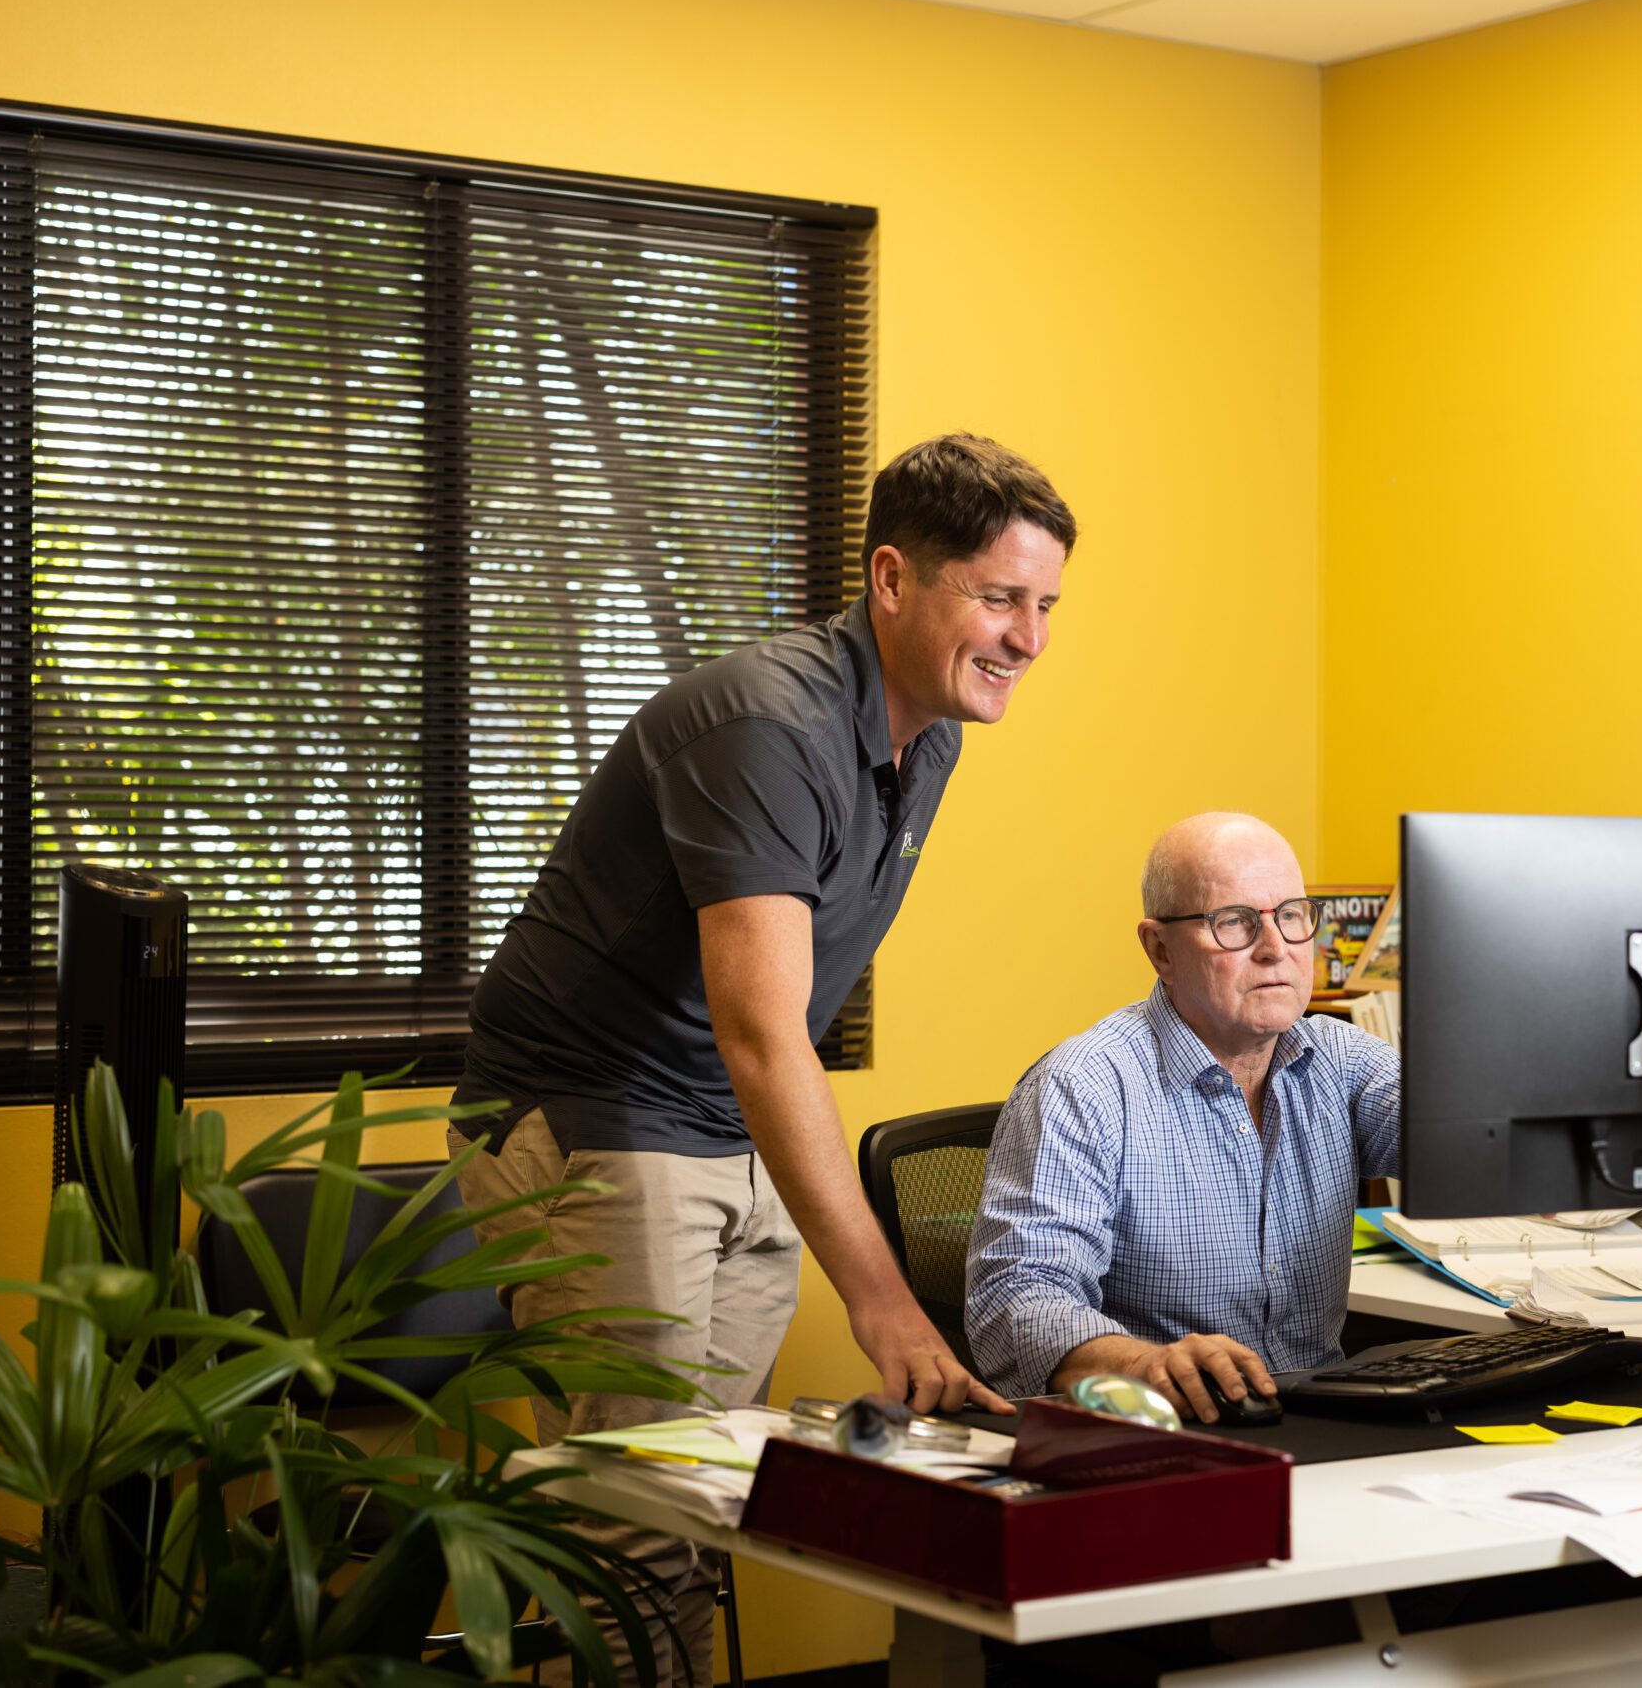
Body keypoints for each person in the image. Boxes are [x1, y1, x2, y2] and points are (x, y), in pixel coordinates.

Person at [448, 432, 1074, 1682]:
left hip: (728, 1131)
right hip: (596, 1120)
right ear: (893, 579)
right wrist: (882, 1297)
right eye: (998, 597)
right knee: (628, 1525)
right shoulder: (762, 719)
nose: (1028, 638)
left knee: (697, 1516)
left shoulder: (928, 735)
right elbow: (759, 1025)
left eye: (1046, 605)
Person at [965, 812, 1402, 1422]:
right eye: (1235, 924)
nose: (1276, 948)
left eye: (1292, 916)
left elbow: (1462, 1133)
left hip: (1322, 1426)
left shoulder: (1343, 1059)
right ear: (1160, 949)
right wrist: (1145, 1366)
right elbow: (1017, 1299)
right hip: (1155, 1433)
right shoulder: (1084, 1086)